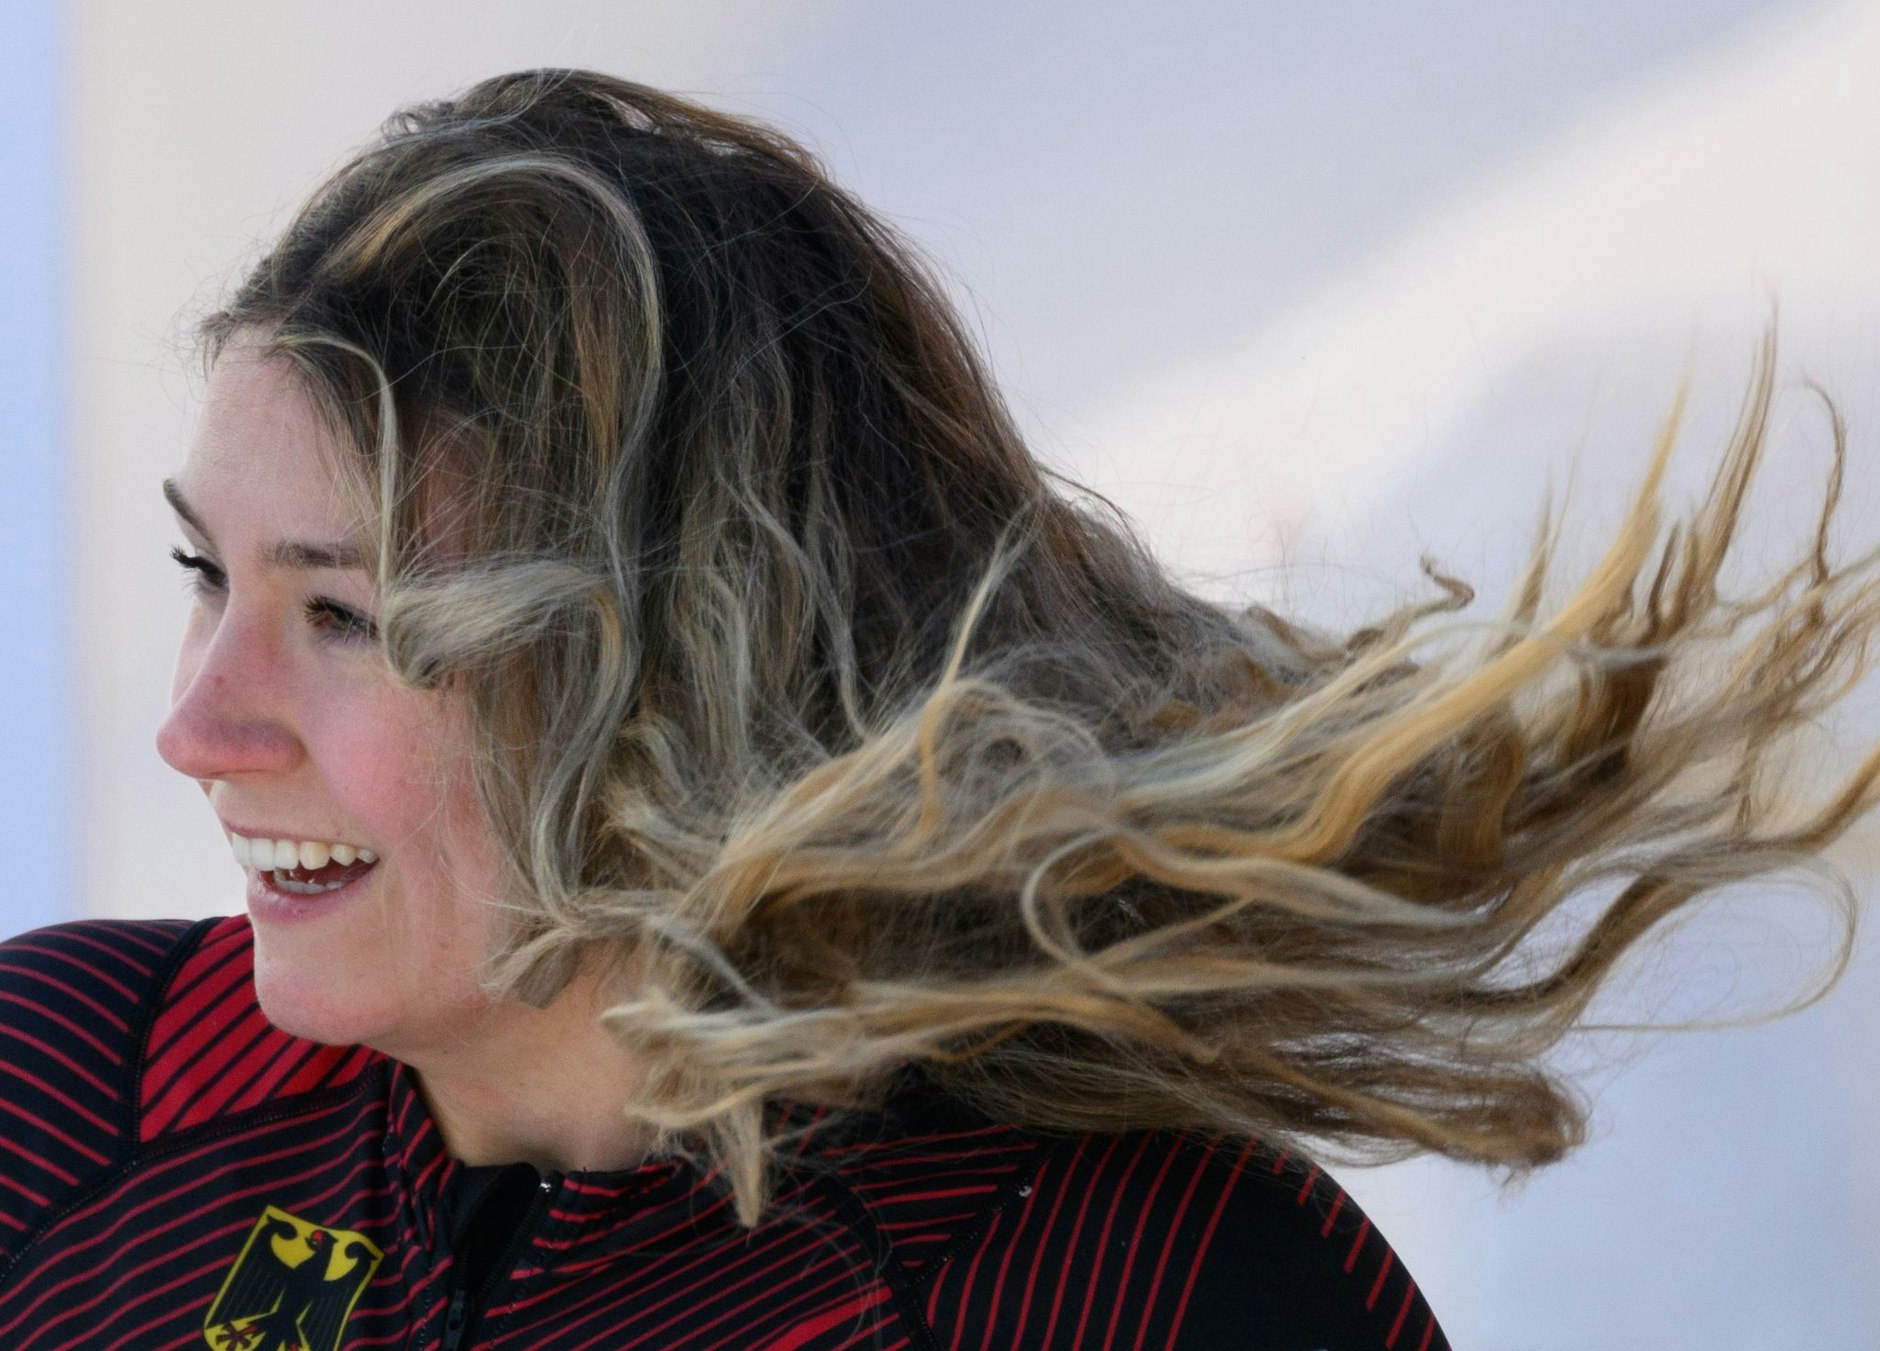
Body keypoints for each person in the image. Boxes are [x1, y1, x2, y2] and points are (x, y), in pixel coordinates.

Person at [2, 69, 1876, 1351]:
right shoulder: (68, 1102)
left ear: (690, 663)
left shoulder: (1121, 1293)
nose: (201, 726)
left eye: (345, 616)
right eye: (205, 575)